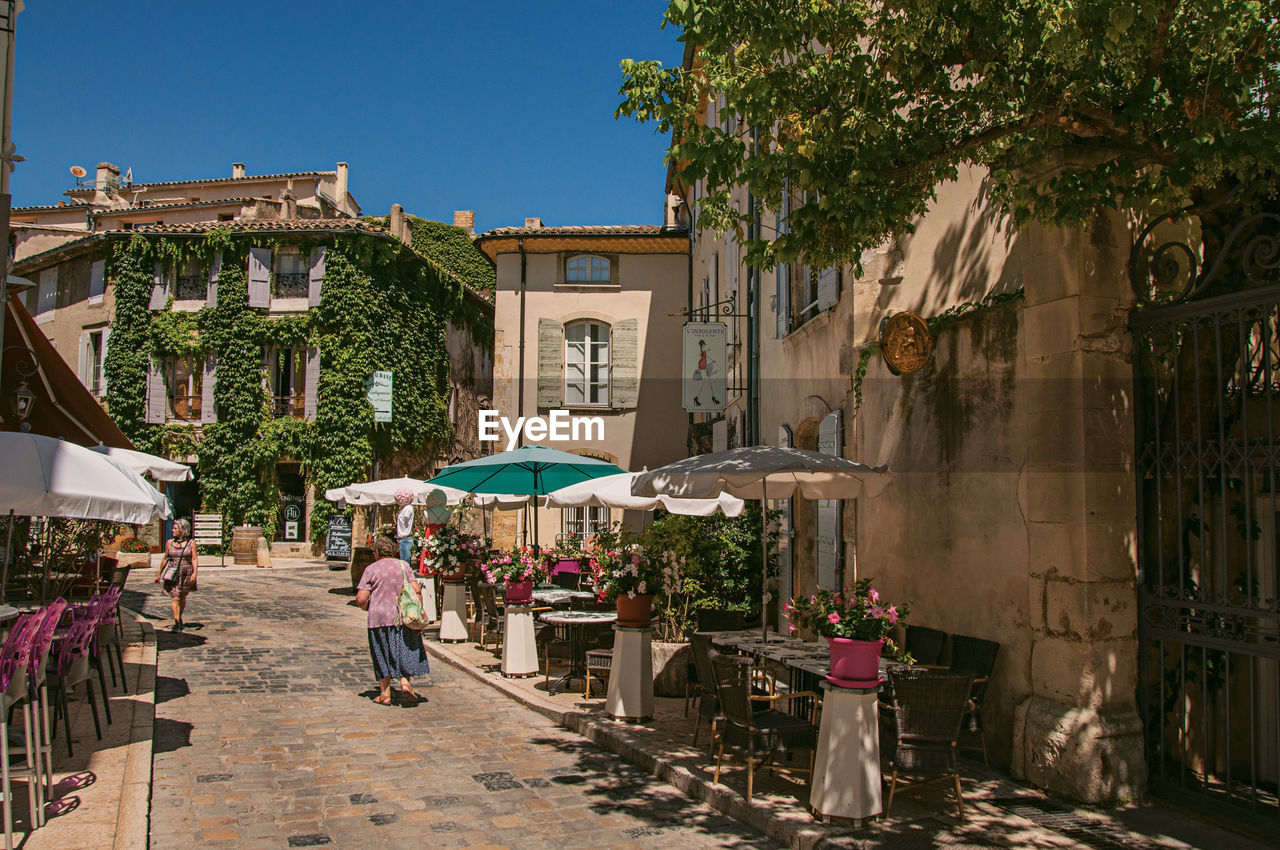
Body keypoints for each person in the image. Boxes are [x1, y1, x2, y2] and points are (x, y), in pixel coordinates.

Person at [356, 534, 430, 705]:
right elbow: (416, 590)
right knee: (404, 650)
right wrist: (418, 613)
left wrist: (368, 606)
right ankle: (405, 683)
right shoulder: (403, 566)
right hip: (402, 617)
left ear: (376, 553)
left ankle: (385, 693)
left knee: (381, 653)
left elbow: (361, 598)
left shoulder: (371, 569)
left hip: (379, 618)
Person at [155, 518, 198, 631]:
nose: (172, 530)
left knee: (182, 597)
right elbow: (165, 558)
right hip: (173, 573)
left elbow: (194, 559)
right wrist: (159, 574)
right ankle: (177, 622)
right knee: (175, 597)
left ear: (182, 529)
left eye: (175, 528)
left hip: (186, 573)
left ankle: (179, 616)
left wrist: (195, 573)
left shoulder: (191, 543)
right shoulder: (169, 543)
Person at [395, 488, 416, 564]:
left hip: (405, 539)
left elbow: (405, 519)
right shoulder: (406, 508)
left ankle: (405, 576)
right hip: (403, 539)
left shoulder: (408, 508)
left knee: (405, 563)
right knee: (404, 562)